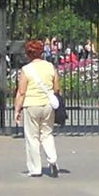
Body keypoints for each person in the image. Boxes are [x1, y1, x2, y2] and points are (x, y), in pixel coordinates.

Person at [13, 37, 62, 179]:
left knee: (32, 137)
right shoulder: (50, 67)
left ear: (28, 53)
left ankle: (35, 168)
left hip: (31, 105)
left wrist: (17, 109)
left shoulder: (26, 70)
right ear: (41, 52)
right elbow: (57, 88)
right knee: (47, 133)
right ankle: (52, 160)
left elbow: (21, 92)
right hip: (47, 105)